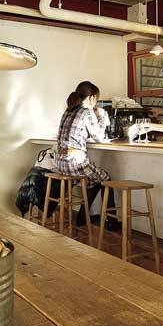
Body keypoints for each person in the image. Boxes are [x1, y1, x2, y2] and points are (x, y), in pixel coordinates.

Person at [57, 81, 115, 225]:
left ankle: (82, 218)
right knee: (106, 179)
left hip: (61, 163)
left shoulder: (68, 111)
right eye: (96, 99)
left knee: (94, 182)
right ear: (91, 97)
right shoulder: (86, 111)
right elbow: (99, 138)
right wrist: (101, 116)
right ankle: (112, 222)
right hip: (75, 162)